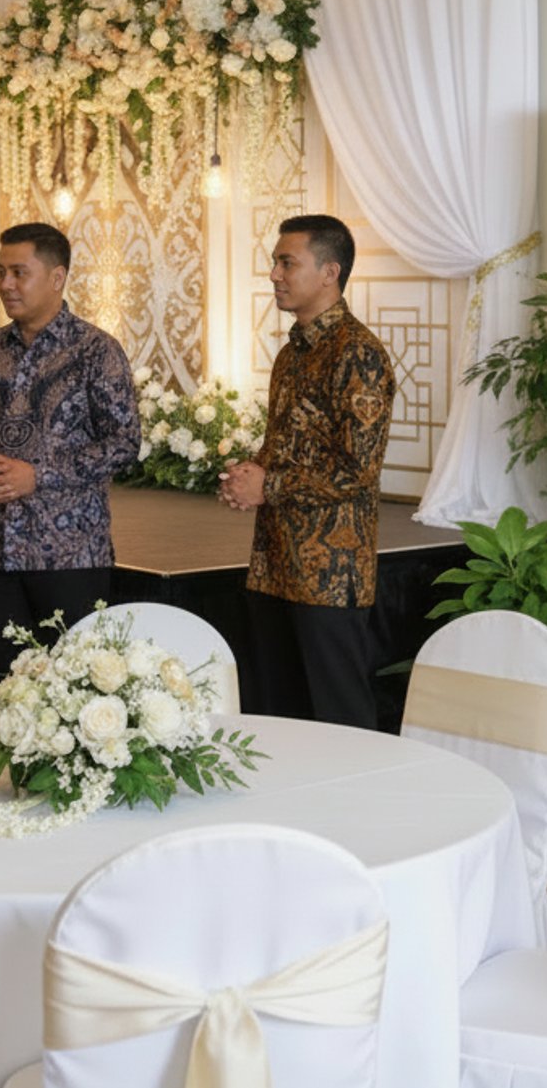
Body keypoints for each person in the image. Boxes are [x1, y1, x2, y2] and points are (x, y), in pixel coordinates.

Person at [219, 215, 396, 729]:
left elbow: (359, 469)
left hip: (330, 575)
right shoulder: (292, 353)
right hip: (276, 564)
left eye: (286, 262)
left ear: (329, 272)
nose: (274, 273)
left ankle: (353, 812)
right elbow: (291, 444)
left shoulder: (357, 353)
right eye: (275, 261)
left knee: (338, 718)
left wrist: (268, 486)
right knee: (279, 715)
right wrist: (251, 472)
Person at [0, 223, 140, 682]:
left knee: (73, 690)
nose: (6, 284)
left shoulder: (97, 351)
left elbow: (124, 443)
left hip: (70, 557)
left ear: (57, 278)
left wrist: (40, 474)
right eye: (0, 272)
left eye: (19, 272)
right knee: (0, 686)